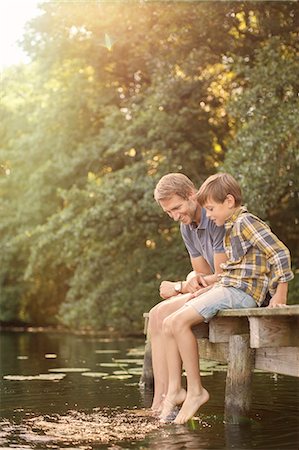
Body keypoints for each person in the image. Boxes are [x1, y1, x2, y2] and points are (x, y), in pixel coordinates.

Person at [160, 172, 294, 424]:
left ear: (229, 201)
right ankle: (177, 390)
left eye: (210, 209)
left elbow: (280, 253)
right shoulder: (232, 228)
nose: (208, 215)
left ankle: (196, 391)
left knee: (177, 323)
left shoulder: (246, 223)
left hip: (241, 294)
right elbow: (234, 271)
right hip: (229, 288)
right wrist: (204, 286)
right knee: (168, 323)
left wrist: (280, 293)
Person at [148, 173, 227, 413]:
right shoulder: (187, 227)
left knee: (166, 311)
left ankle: (169, 397)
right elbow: (201, 274)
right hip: (211, 288)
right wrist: (191, 281)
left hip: (230, 289)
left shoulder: (215, 218)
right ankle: (161, 401)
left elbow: (224, 275)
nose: (174, 216)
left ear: (192, 195)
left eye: (177, 208)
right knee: (156, 314)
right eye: (168, 212)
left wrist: (181, 286)